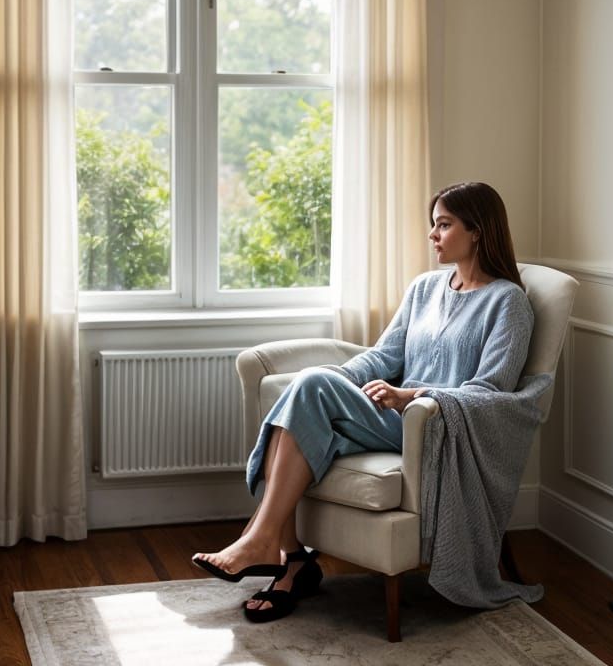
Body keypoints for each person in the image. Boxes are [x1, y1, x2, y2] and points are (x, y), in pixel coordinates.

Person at [193, 181, 534, 622]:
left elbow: (491, 389)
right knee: (303, 396)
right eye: (433, 224)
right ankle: (289, 559)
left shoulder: (508, 302)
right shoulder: (425, 288)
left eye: (444, 225)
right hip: (392, 416)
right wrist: (342, 378)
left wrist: (412, 395)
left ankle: (267, 544)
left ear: (478, 231)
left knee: (310, 387)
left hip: (434, 427)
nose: (433, 235)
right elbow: (384, 355)